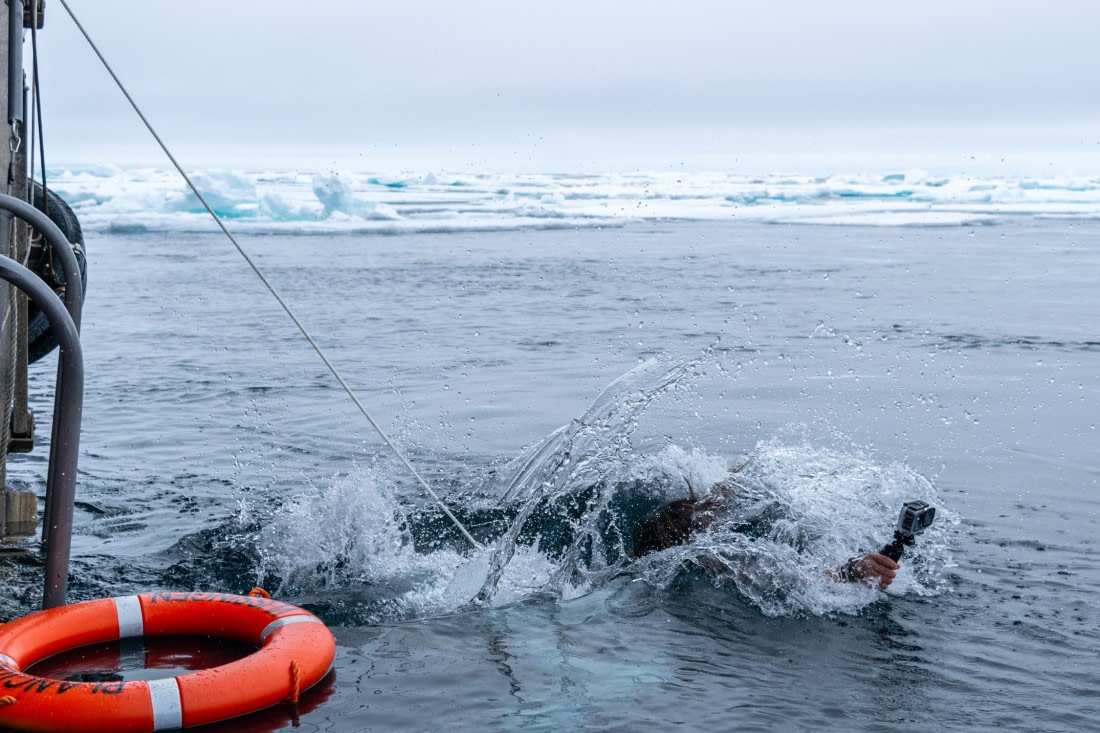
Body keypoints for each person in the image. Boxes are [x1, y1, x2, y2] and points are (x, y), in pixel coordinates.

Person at [628, 481, 900, 589]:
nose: (717, 526)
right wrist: (849, 572)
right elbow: (792, 576)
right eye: (708, 526)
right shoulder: (711, 559)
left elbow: (720, 496)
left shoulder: (639, 559)